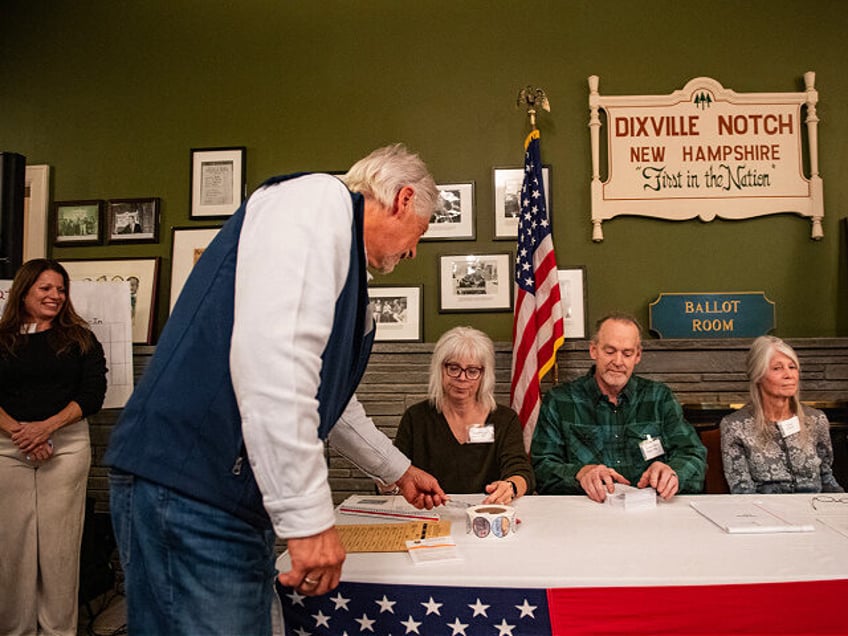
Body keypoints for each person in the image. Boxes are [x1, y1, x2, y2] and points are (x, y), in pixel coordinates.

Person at [104, 144, 448, 635]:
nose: (413, 250)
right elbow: (276, 364)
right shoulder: (316, 202)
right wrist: (307, 519)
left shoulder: (346, 267)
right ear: (402, 199)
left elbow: (329, 400)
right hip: (189, 486)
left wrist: (399, 471)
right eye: (421, 232)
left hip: (224, 497)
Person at [0, 259, 107, 636]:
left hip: (65, 445)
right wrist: (22, 434)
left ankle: (59, 631)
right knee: (12, 547)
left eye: (61, 289)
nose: (56, 296)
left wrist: (46, 429)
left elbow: (93, 394)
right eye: (46, 288)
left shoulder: (80, 337)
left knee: (59, 548)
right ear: (24, 291)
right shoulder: (2, 338)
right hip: (8, 446)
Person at [531, 313, 706, 502]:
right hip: (587, 513)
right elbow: (541, 467)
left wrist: (673, 472)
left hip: (650, 510)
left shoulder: (659, 397)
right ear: (593, 351)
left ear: (637, 356)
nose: (618, 361)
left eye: (627, 353)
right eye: (610, 351)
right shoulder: (560, 400)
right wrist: (580, 473)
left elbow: (693, 454)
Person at [394, 326, 535, 504]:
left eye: (472, 371)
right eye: (454, 368)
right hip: (431, 514)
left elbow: (522, 472)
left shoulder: (504, 419)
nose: (462, 378)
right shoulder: (416, 418)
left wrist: (510, 487)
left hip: (487, 512)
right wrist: (389, 484)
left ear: (484, 375)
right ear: (440, 369)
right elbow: (395, 473)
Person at [720, 336, 844, 494]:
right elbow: (742, 491)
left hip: (815, 509)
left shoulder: (816, 420)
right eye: (777, 368)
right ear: (758, 376)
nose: (789, 375)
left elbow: (826, 477)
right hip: (764, 512)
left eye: (792, 367)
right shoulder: (734, 426)